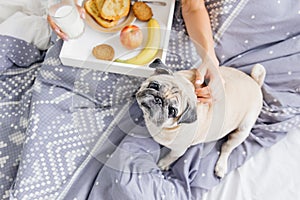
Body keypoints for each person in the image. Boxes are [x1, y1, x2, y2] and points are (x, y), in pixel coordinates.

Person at [48, 0, 218, 104]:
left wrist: (210, 58)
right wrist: (66, 5)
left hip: (153, 27)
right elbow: (67, 5)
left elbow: (193, 7)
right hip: (83, 39)